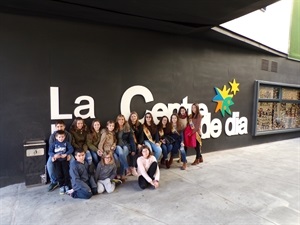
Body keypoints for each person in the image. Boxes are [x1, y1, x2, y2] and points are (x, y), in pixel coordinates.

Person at [47, 120, 73, 192]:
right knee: (49, 164)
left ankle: (71, 180)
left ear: (64, 127)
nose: (59, 128)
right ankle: (54, 182)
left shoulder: (68, 135)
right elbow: (50, 149)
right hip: (55, 154)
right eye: (58, 126)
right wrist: (53, 156)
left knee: (73, 161)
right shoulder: (52, 136)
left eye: (61, 126)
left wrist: (68, 154)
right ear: (55, 127)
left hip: (66, 152)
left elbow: (70, 146)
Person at [115, 114, 136, 179]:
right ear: (117, 120)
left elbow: (131, 140)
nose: (121, 121)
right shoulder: (115, 128)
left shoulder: (127, 127)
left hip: (126, 145)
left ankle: (121, 174)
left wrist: (133, 149)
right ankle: (127, 169)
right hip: (117, 145)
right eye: (119, 119)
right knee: (121, 153)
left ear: (124, 120)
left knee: (123, 154)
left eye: (122, 119)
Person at [128, 111, 144, 176]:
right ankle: (133, 167)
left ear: (137, 117)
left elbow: (141, 135)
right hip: (130, 142)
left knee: (140, 150)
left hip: (137, 142)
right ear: (130, 117)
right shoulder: (128, 124)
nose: (133, 118)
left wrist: (140, 143)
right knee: (133, 150)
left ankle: (138, 167)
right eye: (132, 116)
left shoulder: (140, 125)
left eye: (135, 116)